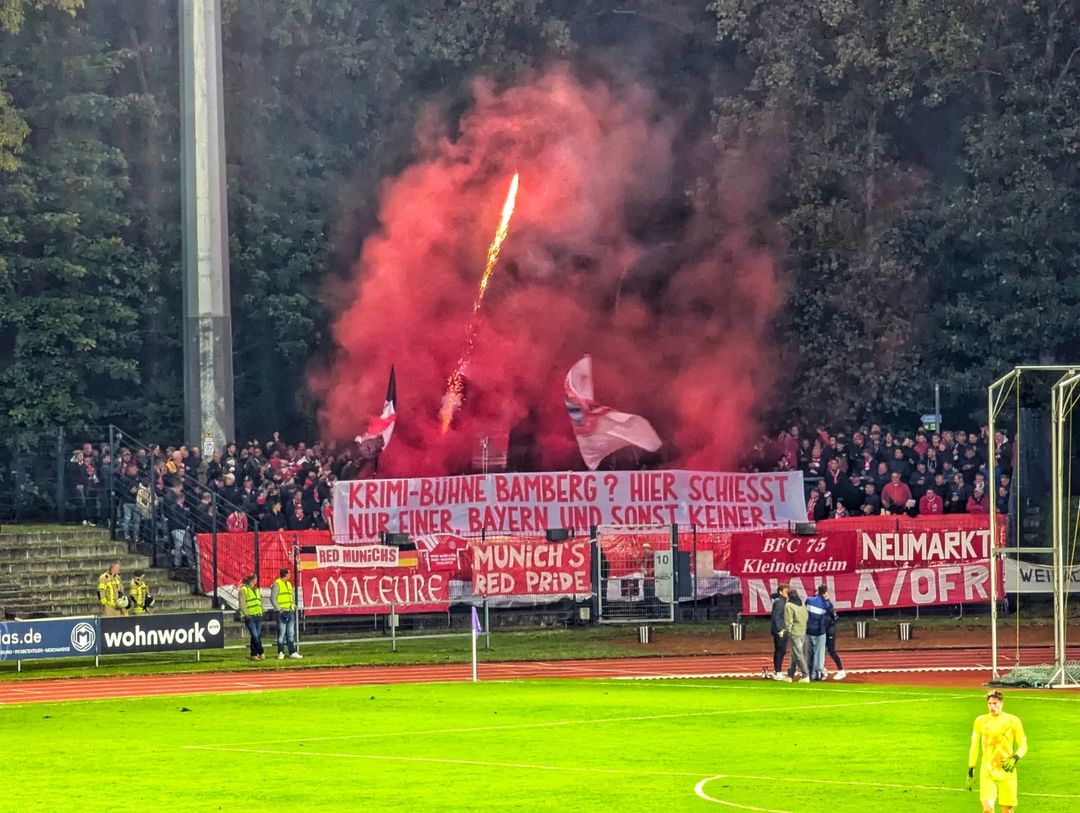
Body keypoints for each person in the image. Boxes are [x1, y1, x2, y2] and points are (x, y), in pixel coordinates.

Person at [968, 690, 1028, 813]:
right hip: (987, 771)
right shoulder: (980, 721)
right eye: (990, 704)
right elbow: (974, 745)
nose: (992, 707)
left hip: (1006, 770)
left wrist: (1015, 757)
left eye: (995, 703)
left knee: (1007, 810)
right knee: (987, 809)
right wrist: (971, 767)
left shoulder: (1013, 721)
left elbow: (1023, 745)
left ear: (1002, 703)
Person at [271, 567, 302, 660]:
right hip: (282, 612)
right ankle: (281, 652)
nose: (290, 575)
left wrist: (292, 606)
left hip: (289, 611)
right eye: (289, 573)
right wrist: (279, 610)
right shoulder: (277, 584)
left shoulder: (288, 584)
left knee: (290, 633)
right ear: (286, 574)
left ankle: (292, 652)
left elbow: (291, 597)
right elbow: (273, 598)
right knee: (282, 633)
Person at [805, 585, 831, 681]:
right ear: (825, 593)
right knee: (819, 653)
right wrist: (828, 600)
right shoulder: (826, 604)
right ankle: (818, 673)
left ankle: (809, 673)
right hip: (820, 632)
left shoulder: (809, 600)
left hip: (808, 630)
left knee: (809, 653)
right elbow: (832, 617)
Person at [783, 590, 810, 683]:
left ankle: (805, 675)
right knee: (794, 654)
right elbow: (806, 616)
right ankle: (790, 675)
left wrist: (788, 631)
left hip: (795, 632)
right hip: (803, 631)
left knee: (798, 654)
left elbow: (788, 621)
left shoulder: (788, 605)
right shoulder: (802, 604)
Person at [238, 574, 265, 661]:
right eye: (255, 579)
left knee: (256, 636)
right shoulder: (243, 590)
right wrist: (247, 614)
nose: (256, 581)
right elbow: (242, 604)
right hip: (250, 617)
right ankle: (261, 652)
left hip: (258, 615)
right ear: (251, 580)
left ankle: (253, 654)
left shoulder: (257, 589)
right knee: (255, 636)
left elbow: (259, 601)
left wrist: (262, 611)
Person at [769, 584, 789, 680]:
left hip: (781, 630)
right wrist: (780, 630)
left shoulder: (781, 601)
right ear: (781, 592)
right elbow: (776, 617)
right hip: (780, 631)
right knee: (780, 651)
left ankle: (777, 671)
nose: (787, 593)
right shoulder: (780, 602)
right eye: (786, 591)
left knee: (781, 651)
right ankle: (777, 672)